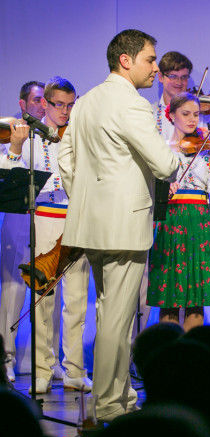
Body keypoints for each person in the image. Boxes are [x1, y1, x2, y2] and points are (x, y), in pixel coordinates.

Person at [57, 29, 179, 422]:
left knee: (111, 312)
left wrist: (87, 198)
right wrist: (175, 154)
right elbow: (164, 164)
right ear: (125, 60)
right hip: (124, 224)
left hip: (92, 222)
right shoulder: (132, 104)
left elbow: (65, 158)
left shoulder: (87, 101)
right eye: (150, 59)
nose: (155, 67)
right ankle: (108, 403)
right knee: (116, 317)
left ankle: (121, 395)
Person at [1, 77, 92, 394]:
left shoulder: (78, 138)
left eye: (70, 105)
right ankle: (42, 370)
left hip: (76, 222)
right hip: (43, 221)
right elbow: (7, 175)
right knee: (43, 300)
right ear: (45, 103)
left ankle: (74, 371)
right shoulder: (28, 138)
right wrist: (15, 146)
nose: (65, 111)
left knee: (76, 301)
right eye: (59, 105)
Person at [147, 92, 210, 331]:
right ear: (171, 115)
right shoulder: (160, 150)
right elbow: (147, 187)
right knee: (169, 298)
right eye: (185, 114)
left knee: (195, 301)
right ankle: (169, 351)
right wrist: (162, 189)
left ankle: (192, 352)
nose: (192, 119)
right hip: (170, 222)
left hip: (200, 222)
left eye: (196, 114)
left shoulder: (207, 150)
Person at [0, 82, 45, 383]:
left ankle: (48, 361)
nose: (41, 105)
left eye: (44, 101)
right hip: (18, 218)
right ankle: (6, 359)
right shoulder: (10, 132)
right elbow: (5, 174)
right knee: (12, 292)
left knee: (48, 294)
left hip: (47, 218)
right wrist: (16, 146)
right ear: (23, 103)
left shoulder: (51, 134)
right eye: (36, 100)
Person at [152, 51, 210, 140]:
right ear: (161, 77)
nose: (179, 82)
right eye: (173, 76)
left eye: (184, 77)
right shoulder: (151, 114)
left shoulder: (202, 112)